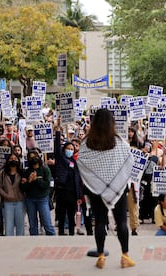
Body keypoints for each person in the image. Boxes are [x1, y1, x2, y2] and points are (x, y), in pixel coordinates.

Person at [77, 108, 135, 269]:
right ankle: (125, 256)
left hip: (95, 189)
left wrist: (94, 182)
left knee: (100, 222)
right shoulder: (119, 142)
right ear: (112, 123)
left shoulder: (86, 143)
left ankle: (101, 256)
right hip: (118, 187)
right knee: (121, 221)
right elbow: (129, 161)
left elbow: (81, 163)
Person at [54, 124, 83, 236]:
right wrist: (58, 131)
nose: (70, 150)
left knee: (71, 215)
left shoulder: (74, 162)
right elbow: (57, 147)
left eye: (72, 149)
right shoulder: (61, 159)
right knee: (61, 214)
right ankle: (61, 232)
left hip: (72, 193)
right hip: (62, 190)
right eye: (68, 148)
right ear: (64, 149)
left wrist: (79, 195)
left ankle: (71, 233)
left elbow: (77, 178)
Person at [20, 148, 55, 236]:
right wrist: (30, 181)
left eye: (35, 156)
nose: (33, 159)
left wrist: (36, 180)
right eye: (31, 158)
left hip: (42, 199)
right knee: (32, 224)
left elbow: (46, 185)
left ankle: (53, 241)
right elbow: (23, 187)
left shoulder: (45, 170)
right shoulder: (27, 171)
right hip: (30, 199)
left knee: (47, 223)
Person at [0, 153, 25, 236]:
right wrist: (6, 195)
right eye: (11, 158)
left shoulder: (22, 172)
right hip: (7, 202)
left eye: (15, 158)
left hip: (20, 202)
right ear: (8, 161)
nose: (13, 160)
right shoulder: (2, 174)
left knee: (20, 226)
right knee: (8, 226)